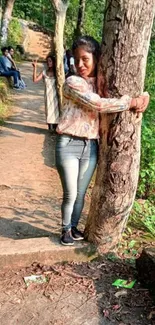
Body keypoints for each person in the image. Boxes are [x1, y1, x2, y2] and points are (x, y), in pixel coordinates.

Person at [55, 35, 150, 246]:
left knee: (80, 193)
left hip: (91, 146)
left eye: (85, 59)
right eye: (76, 59)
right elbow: (98, 104)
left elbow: (132, 87)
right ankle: (65, 230)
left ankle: (73, 227)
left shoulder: (101, 82)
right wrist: (131, 102)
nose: (80, 64)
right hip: (68, 144)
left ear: (96, 58)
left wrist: (145, 95)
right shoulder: (72, 83)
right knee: (70, 192)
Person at [32, 54, 59, 132]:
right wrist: (35, 68)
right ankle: (50, 128)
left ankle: (56, 127)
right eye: (47, 61)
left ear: (54, 62)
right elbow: (35, 80)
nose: (49, 63)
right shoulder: (44, 72)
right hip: (47, 95)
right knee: (49, 111)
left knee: (56, 111)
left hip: (56, 95)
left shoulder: (57, 73)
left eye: (50, 61)